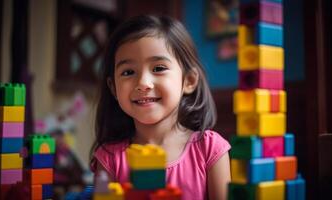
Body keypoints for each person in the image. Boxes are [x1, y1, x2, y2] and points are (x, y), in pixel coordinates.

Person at [90, 15, 231, 200]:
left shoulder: (210, 149)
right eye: (128, 72)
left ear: (189, 81)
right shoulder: (109, 158)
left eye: (158, 68)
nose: (143, 83)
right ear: (114, 88)